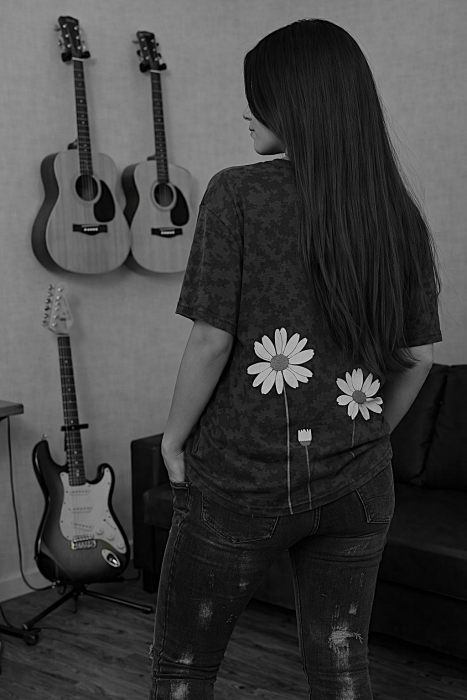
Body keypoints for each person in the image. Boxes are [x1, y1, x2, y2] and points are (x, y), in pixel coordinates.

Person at [149, 18, 442, 700]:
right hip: (359, 487)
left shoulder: (236, 192)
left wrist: (171, 440)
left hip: (240, 485)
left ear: (294, 101)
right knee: (340, 668)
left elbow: (211, 340)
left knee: (184, 668)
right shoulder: (396, 213)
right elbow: (416, 359)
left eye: (256, 95)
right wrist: (366, 439)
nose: (245, 111)